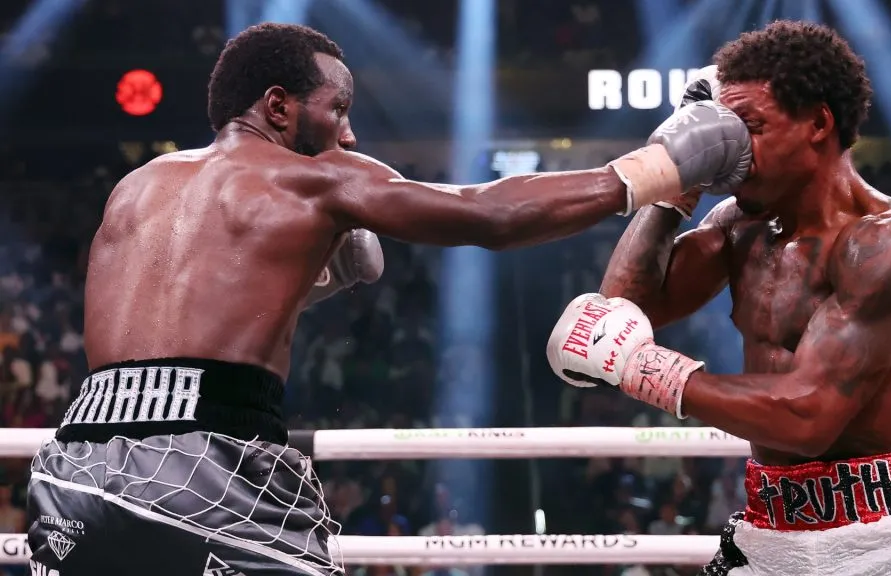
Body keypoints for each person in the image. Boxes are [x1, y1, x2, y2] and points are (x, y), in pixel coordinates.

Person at [26, 22, 751, 576]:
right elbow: (485, 214)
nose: (348, 131)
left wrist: (305, 279)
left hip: (76, 466)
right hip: (209, 469)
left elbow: (176, 338)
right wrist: (660, 167)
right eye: (337, 108)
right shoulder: (313, 180)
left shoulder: (136, 186)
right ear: (278, 107)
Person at [548, 20, 891, 575]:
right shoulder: (740, 227)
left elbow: (809, 418)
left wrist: (648, 370)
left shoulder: (888, 242)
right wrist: (675, 179)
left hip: (885, 534)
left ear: (818, 124)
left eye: (749, 127)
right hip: (770, 529)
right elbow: (622, 313)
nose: (732, 153)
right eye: (722, 131)